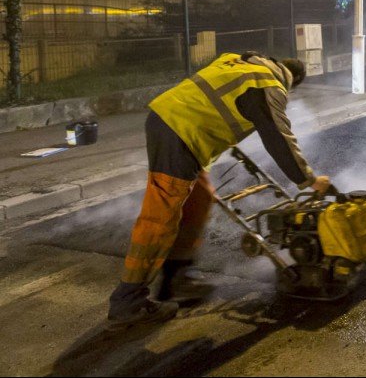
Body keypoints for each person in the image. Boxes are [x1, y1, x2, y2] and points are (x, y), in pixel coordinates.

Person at [106, 52, 329, 330]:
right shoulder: (269, 85)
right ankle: (128, 300)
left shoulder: (239, 60)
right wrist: (309, 180)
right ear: (292, 82)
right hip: (179, 134)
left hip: (169, 123)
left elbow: (214, 101)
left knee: (199, 198)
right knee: (160, 216)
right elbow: (278, 137)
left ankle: (177, 277)